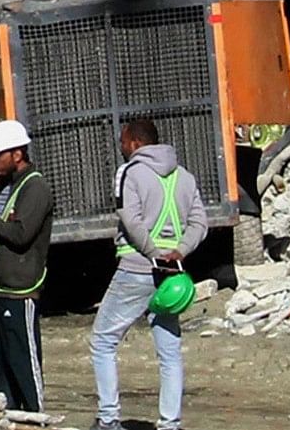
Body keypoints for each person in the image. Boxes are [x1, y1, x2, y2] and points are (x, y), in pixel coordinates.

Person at [89, 120, 201, 430]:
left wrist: (152, 251)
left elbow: (130, 218)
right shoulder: (186, 177)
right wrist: (179, 251)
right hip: (171, 276)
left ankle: (109, 419)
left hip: (136, 268)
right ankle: (170, 423)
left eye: (123, 141)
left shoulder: (129, 173)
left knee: (103, 341)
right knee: (169, 351)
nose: (121, 147)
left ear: (136, 143)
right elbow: (199, 223)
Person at [0, 119, 55, 412]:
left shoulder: (35, 188)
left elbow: (21, 234)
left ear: (17, 154)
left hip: (19, 291)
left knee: (24, 361)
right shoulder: (4, 187)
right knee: (1, 365)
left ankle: (36, 415)